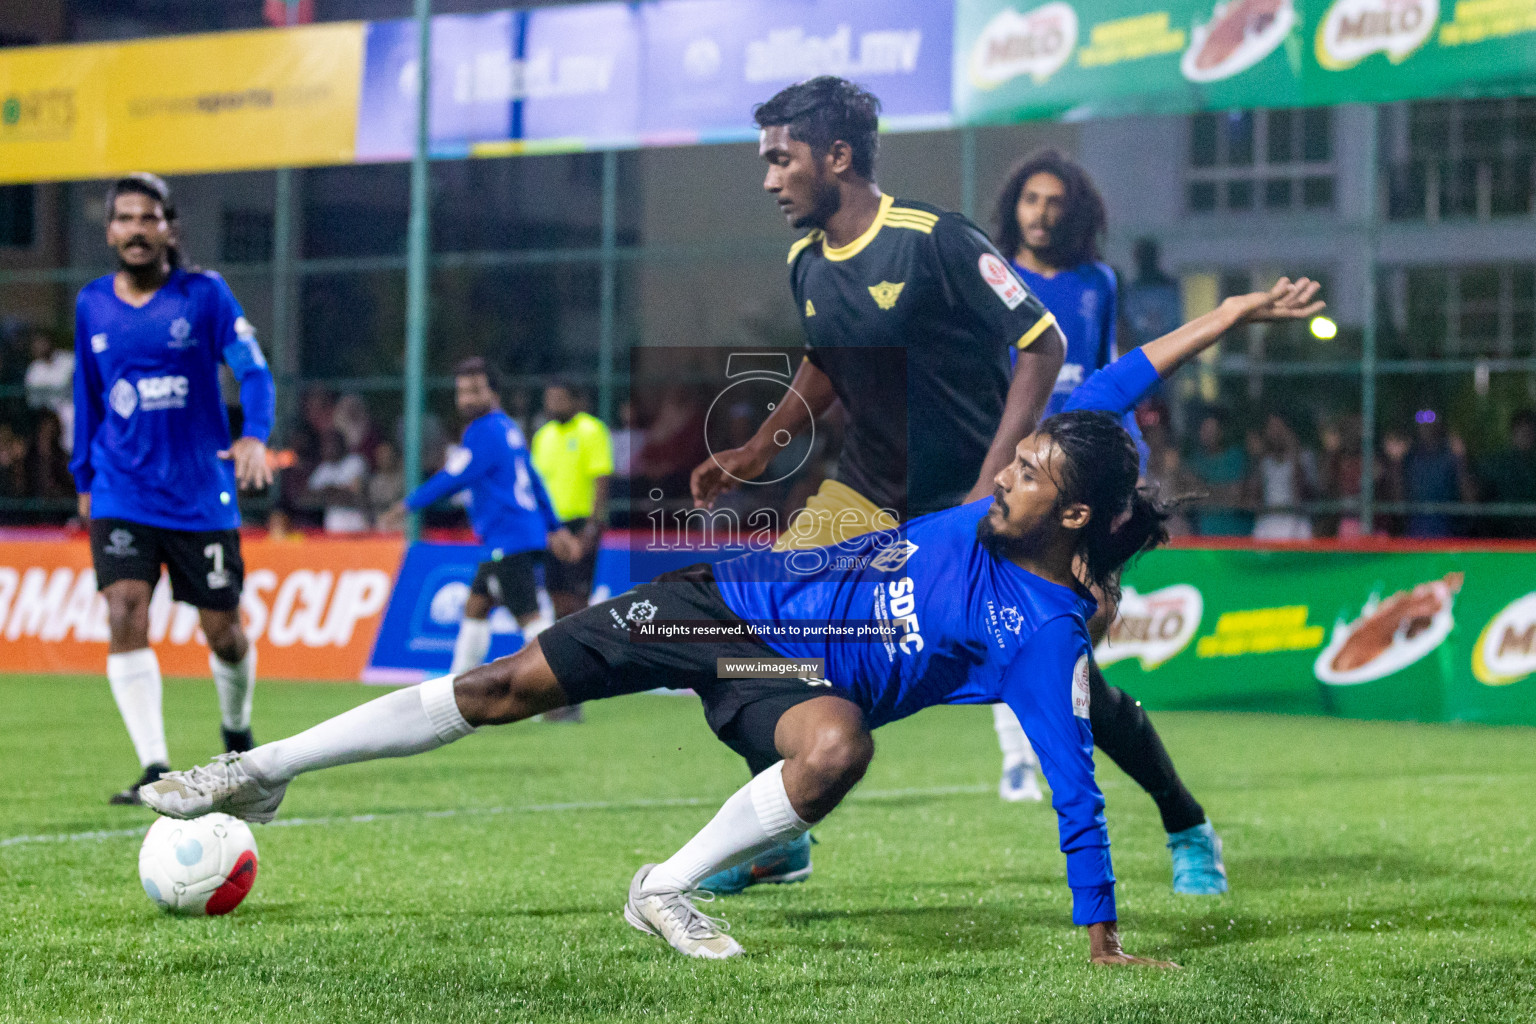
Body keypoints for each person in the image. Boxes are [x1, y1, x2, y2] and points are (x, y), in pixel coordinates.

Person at [141, 278, 1322, 965]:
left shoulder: (1045, 632)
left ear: (1070, 512)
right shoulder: (987, 511)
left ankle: (667, 882)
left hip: (788, 679)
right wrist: (1236, 315)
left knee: (836, 746)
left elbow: (1073, 781)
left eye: (1028, 469)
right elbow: (1119, 382)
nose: (1005, 464)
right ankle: (263, 770)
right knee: (500, 687)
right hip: (729, 600)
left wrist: (1101, 933)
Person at [688, 77, 1067, 891]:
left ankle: (1182, 824)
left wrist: (994, 480)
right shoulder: (805, 263)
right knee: (754, 634)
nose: (768, 179)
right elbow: (829, 360)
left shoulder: (936, 239)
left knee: (1056, 677)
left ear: (837, 155)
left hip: (968, 501)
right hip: (862, 492)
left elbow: (1042, 343)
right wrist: (758, 447)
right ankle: (782, 833)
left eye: (780, 159)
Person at [71, 172, 275, 804]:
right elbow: (88, 398)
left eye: (149, 218)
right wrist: (84, 477)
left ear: (169, 228)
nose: (137, 229)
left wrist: (255, 434)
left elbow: (253, 370)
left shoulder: (205, 295)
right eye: (125, 218)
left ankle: (237, 734)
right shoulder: (92, 305)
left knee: (225, 632)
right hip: (121, 489)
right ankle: (154, 766)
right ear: (110, 231)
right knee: (124, 608)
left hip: (199, 493)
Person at [381, 358, 580, 673]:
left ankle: (563, 688)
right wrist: (555, 528)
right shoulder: (507, 428)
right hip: (513, 535)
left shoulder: (484, 431)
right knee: (476, 607)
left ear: (494, 393)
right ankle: (456, 691)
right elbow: (534, 480)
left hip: (509, 537)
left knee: (529, 618)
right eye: (462, 391)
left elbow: (453, 476)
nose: (467, 399)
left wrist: (407, 505)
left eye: (475, 390)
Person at [530, 381, 613, 722]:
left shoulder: (592, 430)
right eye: (550, 398)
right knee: (556, 606)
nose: (553, 404)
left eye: (560, 398)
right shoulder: (543, 436)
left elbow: (601, 481)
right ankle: (558, 693)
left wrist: (593, 528)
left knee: (575, 608)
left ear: (577, 400)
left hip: (581, 527)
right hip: (552, 530)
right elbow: (537, 486)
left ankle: (573, 696)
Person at [1247, 412, 1317, 540]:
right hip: (1268, 524)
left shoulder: (1304, 457)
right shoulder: (1264, 461)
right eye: (1271, 428)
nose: (1275, 433)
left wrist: (1294, 452)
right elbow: (1253, 497)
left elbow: (1301, 493)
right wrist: (1256, 458)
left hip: (1295, 524)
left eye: (1279, 427)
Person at [1186, 409, 1252, 536]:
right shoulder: (1196, 461)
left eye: (1211, 430)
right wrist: (1223, 492)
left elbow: (1236, 494)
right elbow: (1193, 497)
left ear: (1220, 432)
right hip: (1206, 534)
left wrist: (1206, 489)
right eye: (1204, 430)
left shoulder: (1236, 457)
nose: (1207, 434)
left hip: (1236, 533)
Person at [1478, 409, 1536, 537]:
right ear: (1513, 433)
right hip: (1503, 540)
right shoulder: (1497, 464)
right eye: (1521, 431)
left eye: (1530, 432)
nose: (1526, 436)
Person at [307, 430, 370, 534]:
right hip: (333, 523)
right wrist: (336, 491)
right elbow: (308, 497)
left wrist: (329, 491)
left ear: (342, 444)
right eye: (327, 445)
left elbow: (355, 493)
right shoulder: (323, 469)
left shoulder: (355, 461)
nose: (330, 448)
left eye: (333, 444)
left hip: (356, 521)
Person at [24, 327, 75, 454]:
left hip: (70, 407)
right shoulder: (34, 370)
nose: (40, 347)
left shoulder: (69, 360)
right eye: (36, 344)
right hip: (46, 413)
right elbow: (33, 399)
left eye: (42, 342)